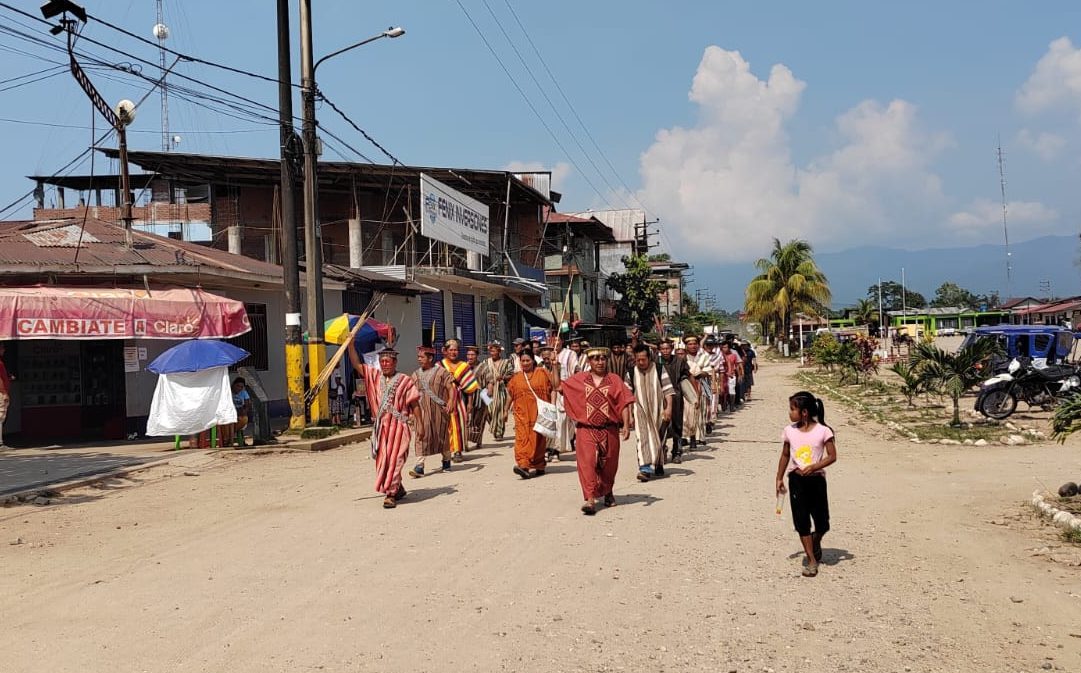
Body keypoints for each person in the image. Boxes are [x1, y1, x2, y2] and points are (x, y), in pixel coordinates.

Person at [346, 343, 423, 509]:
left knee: (396, 460)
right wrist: (351, 344)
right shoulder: (374, 376)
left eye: (388, 361)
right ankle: (398, 488)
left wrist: (420, 425)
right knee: (384, 461)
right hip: (381, 428)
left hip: (400, 427)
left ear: (395, 362)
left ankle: (390, 494)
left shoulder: (405, 381)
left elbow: (415, 404)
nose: (385, 364)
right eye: (382, 361)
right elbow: (356, 364)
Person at [561, 347, 635, 515]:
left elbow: (624, 401)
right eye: (596, 359)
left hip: (609, 429)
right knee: (587, 464)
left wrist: (626, 424)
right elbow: (558, 386)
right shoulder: (579, 380)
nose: (600, 362)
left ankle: (607, 491)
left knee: (609, 463)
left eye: (603, 358)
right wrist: (554, 367)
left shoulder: (614, 380)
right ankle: (590, 498)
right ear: (589, 362)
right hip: (586, 429)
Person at [775, 391, 837, 577]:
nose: (789, 413)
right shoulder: (789, 431)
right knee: (802, 522)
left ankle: (816, 541)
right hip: (796, 480)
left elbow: (832, 456)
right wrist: (779, 478)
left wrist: (815, 466)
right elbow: (785, 455)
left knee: (823, 522)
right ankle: (811, 560)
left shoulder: (823, 431)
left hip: (816, 480)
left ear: (804, 412)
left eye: (792, 409)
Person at [626, 343, 674, 481]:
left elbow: (668, 390)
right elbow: (627, 395)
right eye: (638, 360)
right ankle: (645, 468)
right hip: (640, 410)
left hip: (659, 411)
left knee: (659, 438)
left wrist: (668, 408)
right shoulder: (630, 372)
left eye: (643, 359)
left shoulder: (659, 369)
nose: (641, 362)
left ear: (649, 358)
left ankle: (658, 462)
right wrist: (629, 415)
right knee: (643, 438)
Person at [506, 349, 556, 479]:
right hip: (521, 414)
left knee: (538, 439)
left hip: (539, 413)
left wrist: (553, 406)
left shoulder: (542, 373)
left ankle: (539, 465)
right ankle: (523, 465)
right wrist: (505, 410)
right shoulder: (516, 378)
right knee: (522, 439)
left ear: (533, 361)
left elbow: (554, 388)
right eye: (523, 361)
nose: (525, 363)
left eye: (528, 360)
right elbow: (510, 395)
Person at [408, 346, 457, 478]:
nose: (419, 359)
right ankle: (419, 466)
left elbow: (450, 387)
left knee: (442, 436)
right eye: (418, 357)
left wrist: (451, 401)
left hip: (439, 411)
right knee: (420, 435)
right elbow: (410, 393)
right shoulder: (415, 374)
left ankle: (446, 460)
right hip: (421, 411)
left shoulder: (442, 372)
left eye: (422, 357)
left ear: (430, 358)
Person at [440, 339, 479, 462]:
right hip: (443, 400)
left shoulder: (464, 366)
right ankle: (447, 451)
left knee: (459, 425)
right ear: (445, 351)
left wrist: (470, 404)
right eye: (451, 350)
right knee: (445, 427)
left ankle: (458, 450)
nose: (453, 352)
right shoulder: (439, 366)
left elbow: (470, 388)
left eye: (455, 349)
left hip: (459, 400)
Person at [657, 338, 690, 464]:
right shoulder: (656, 362)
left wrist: (693, 394)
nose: (665, 351)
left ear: (671, 349)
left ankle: (676, 452)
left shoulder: (679, 361)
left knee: (677, 424)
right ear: (659, 350)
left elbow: (686, 376)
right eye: (663, 348)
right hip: (660, 398)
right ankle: (661, 450)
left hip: (676, 396)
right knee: (661, 425)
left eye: (667, 348)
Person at [477, 341, 514, 441]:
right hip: (487, 390)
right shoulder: (486, 362)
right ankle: (493, 427)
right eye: (491, 351)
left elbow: (511, 374)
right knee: (488, 411)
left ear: (499, 352)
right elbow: (481, 374)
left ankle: (499, 432)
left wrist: (503, 377)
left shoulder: (506, 362)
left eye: (494, 351)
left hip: (501, 390)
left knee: (499, 410)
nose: (492, 353)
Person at [685, 336, 714, 440]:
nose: (693, 346)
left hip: (700, 384)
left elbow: (708, 371)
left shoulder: (704, 355)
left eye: (694, 344)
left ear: (698, 344)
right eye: (690, 344)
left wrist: (697, 373)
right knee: (686, 412)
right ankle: (686, 436)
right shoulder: (682, 356)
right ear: (686, 345)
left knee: (699, 410)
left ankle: (698, 436)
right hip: (685, 385)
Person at [464, 345, 487, 450]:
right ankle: (465, 443)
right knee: (466, 419)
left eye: (472, 354)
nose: (470, 357)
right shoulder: (463, 367)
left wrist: (488, 399)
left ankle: (478, 441)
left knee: (480, 418)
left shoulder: (483, 367)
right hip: (466, 395)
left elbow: (490, 381)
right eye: (468, 354)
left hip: (481, 394)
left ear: (477, 356)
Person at [0, 343, 12, 449]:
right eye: (2, 348)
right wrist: (4, 392)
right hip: (0, 393)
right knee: (0, 417)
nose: (4, 350)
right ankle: (0, 442)